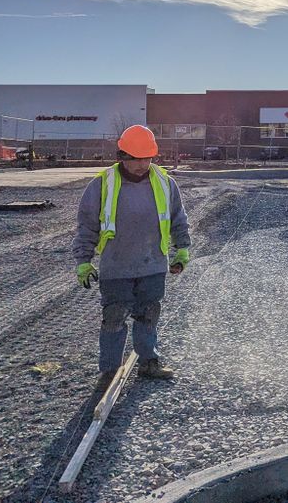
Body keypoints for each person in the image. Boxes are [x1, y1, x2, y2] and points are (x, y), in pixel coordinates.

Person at [72, 125, 191, 390]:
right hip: (117, 267)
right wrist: (83, 260)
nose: (141, 164)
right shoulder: (101, 185)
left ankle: (149, 361)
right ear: (122, 156)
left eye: (147, 158)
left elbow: (178, 219)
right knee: (114, 317)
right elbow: (87, 226)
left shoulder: (164, 183)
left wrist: (182, 249)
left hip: (153, 265)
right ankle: (110, 370)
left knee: (149, 314)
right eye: (135, 158)